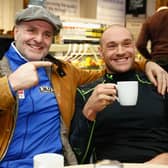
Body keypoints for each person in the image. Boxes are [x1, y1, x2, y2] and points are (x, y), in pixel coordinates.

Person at [0, 6, 167, 168]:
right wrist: (10, 85)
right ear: (16, 32)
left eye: (47, 34)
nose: (39, 39)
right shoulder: (3, 70)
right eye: (31, 30)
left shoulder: (63, 71)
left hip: (56, 163)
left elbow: (111, 69)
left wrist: (147, 64)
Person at [69, 25, 168, 165]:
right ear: (101, 52)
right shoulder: (87, 93)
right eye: (112, 46)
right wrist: (89, 112)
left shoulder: (159, 83)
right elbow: (78, 156)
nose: (120, 51)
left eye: (126, 44)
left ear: (134, 48)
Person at [136, 6, 168, 72]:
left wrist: (150, 58)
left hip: (158, 60)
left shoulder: (149, 20)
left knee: (160, 81)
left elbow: (140, 45)